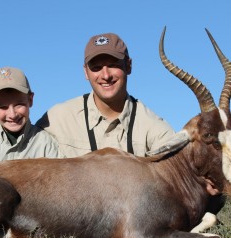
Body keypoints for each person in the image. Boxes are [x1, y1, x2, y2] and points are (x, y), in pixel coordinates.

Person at [36, 33, 175, 157]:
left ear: (129, 65)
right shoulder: (57, 118)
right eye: (96, 68)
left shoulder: (155, 128)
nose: (106, 75)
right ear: (86, 72)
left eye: (113, 65)